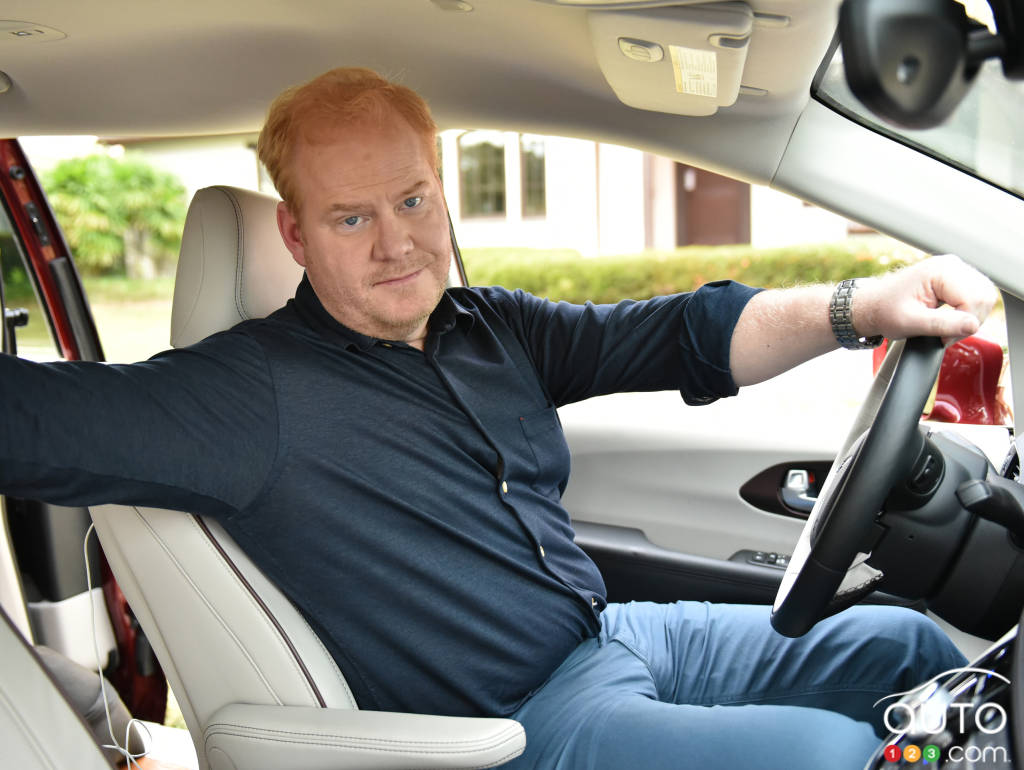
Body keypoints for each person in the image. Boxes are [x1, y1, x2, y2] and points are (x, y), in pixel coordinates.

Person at [0, 67, 998, 769]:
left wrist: (860, 306)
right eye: (351, 217)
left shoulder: (485, 324)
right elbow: (32, 417)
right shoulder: (241, 395)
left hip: (614, 634)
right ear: (295, 235)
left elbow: (677, 334)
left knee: (906, 651)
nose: (396, 243)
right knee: (833, 754)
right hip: (521, 721)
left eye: (414, 199)